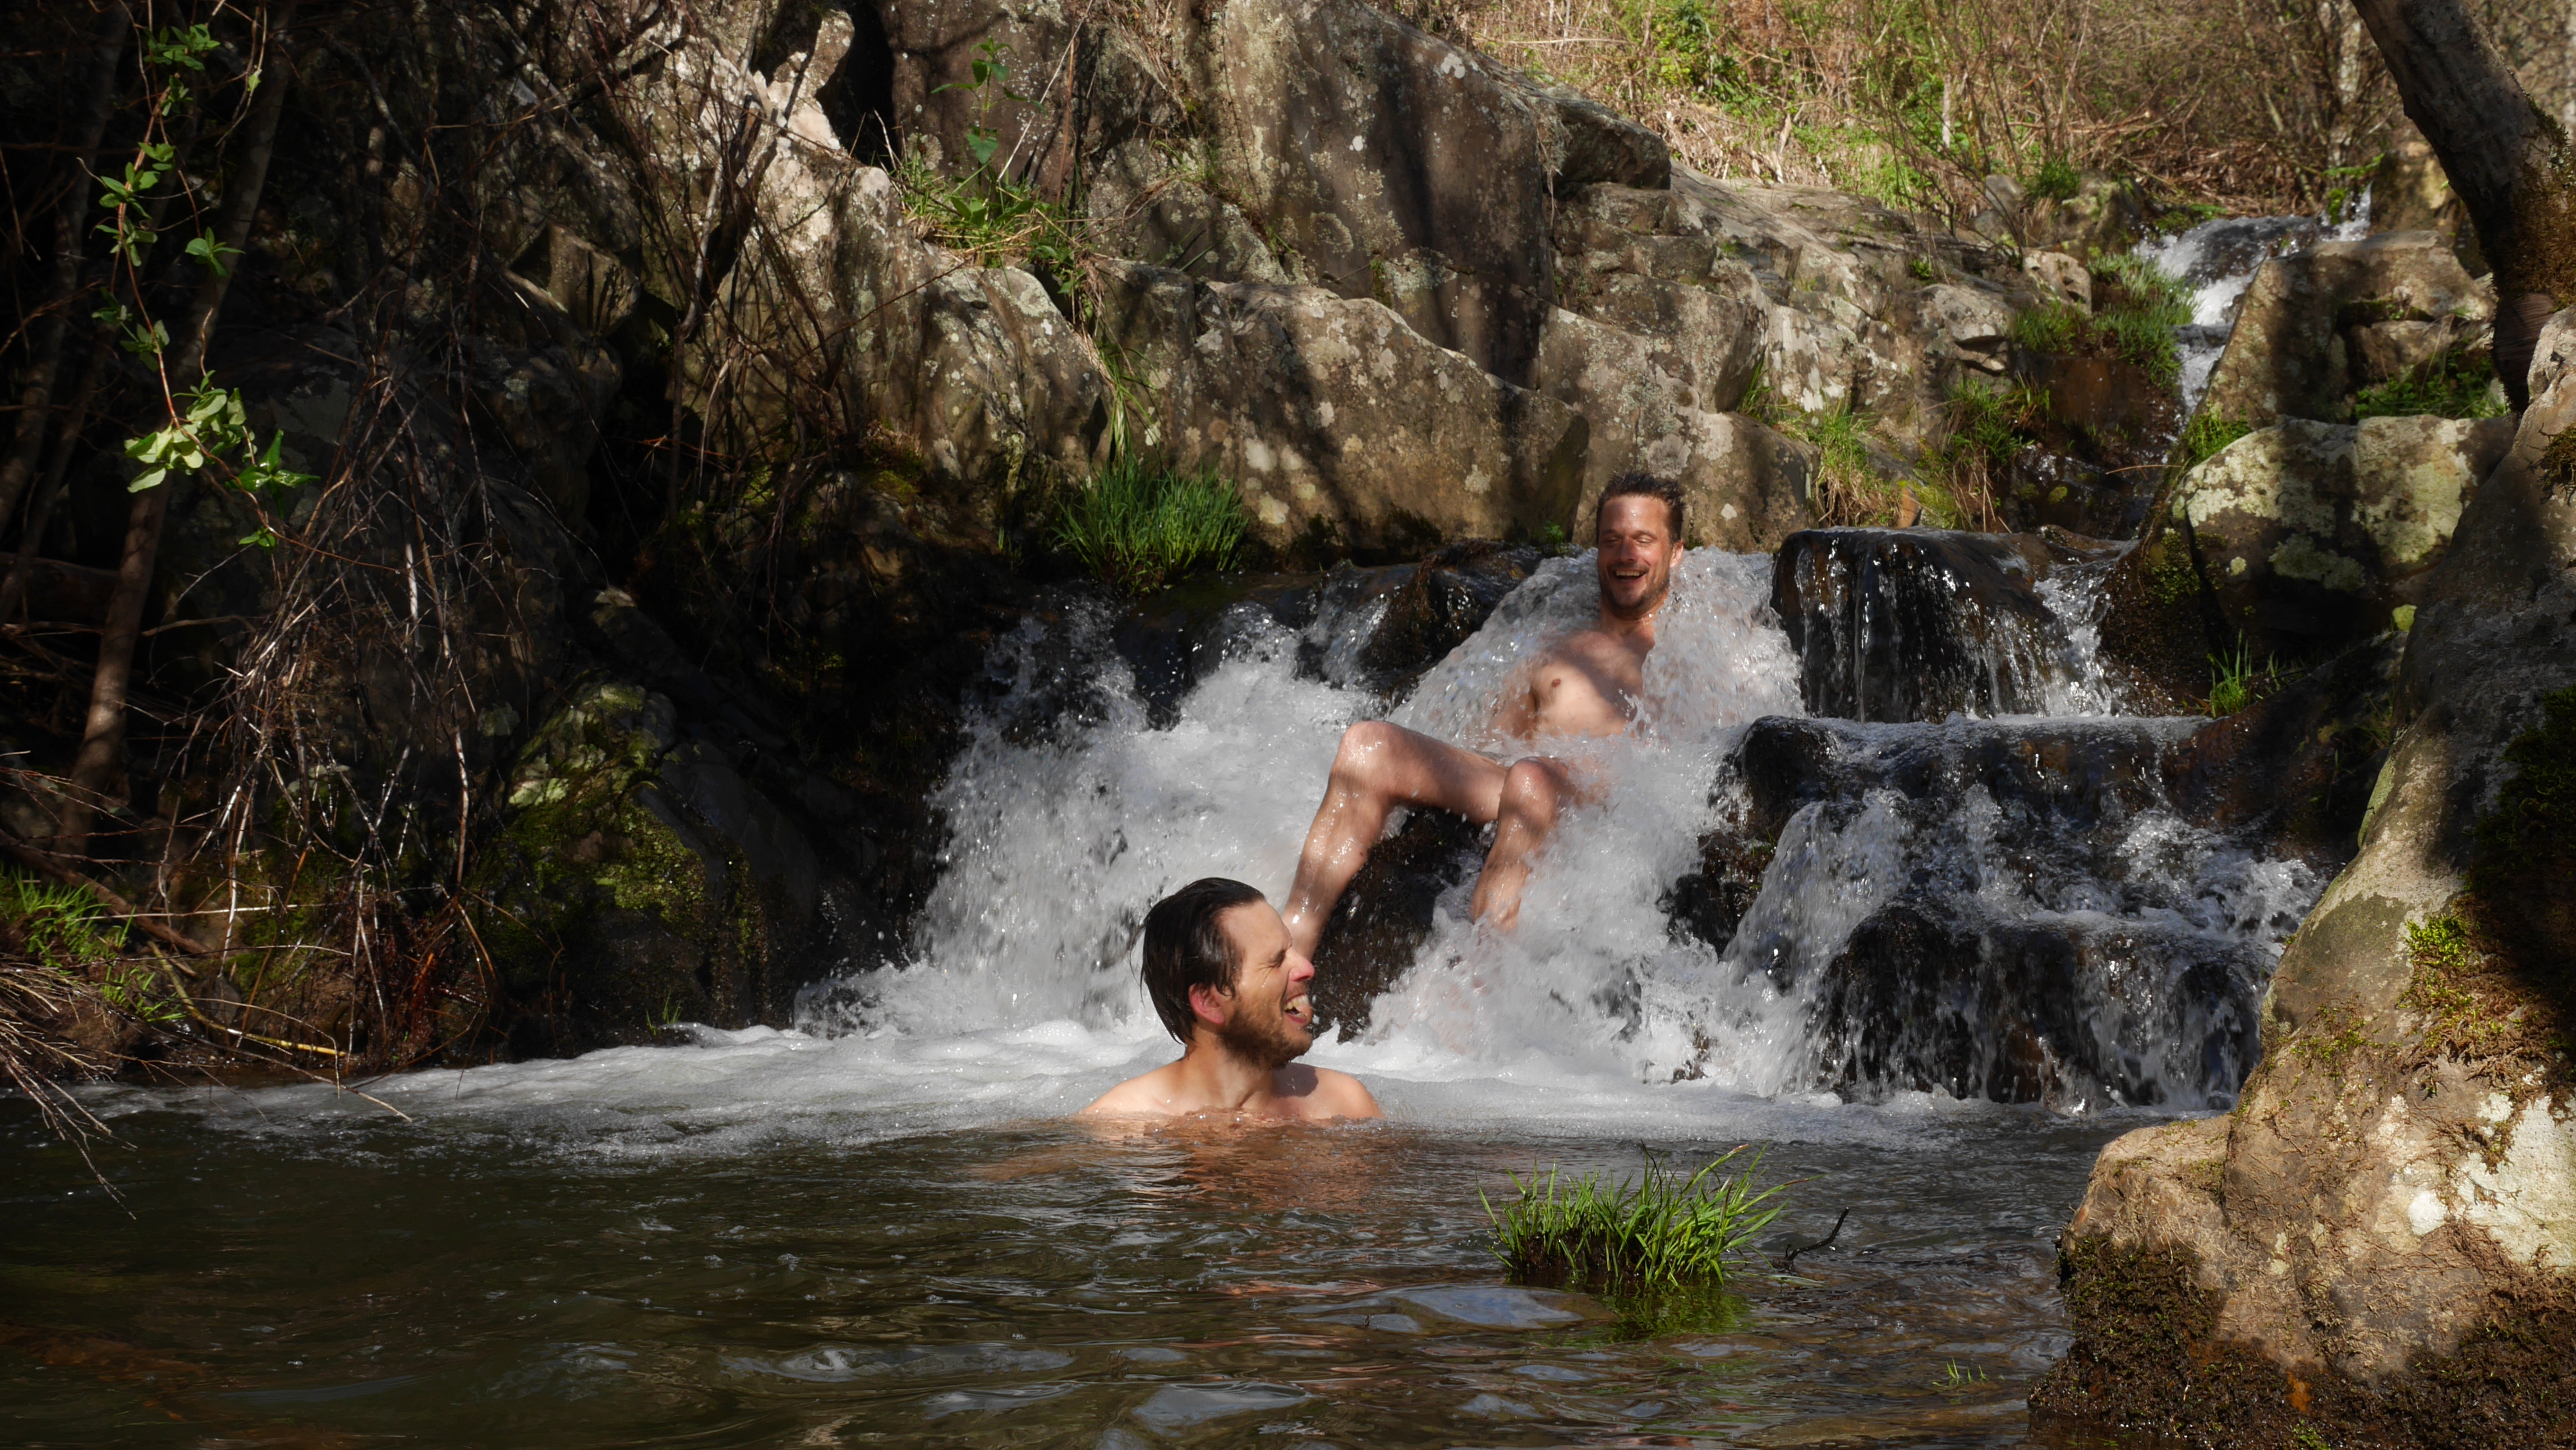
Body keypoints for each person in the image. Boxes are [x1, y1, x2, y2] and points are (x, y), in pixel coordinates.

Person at [1280, 472, 1687, 958]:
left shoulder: (1690, 654)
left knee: (1531, 780)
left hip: (1603, 811)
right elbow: (1491, 745)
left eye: (1643, 540)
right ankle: (1287, 953)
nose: (1626, 555)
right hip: (1524, 787)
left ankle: (1481, 983)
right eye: (1611, 541)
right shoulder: (1557, 650)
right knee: (1368, 745)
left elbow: (1695, 770)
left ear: (1676, 552)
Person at [1082, 877, 1386, 1121]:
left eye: (1292, 950)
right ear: (1210, 1002)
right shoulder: (1123, 1128)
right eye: (1277, 961)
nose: (1307, 968)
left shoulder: (1344, 1106)